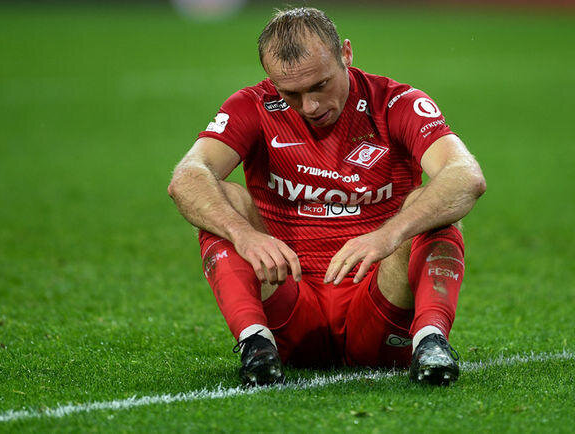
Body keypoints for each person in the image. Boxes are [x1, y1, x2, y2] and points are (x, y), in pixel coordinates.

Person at [168, 7, 486, 386]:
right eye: (291, 94)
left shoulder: (396, 103)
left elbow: (465, 176)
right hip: (290, 308)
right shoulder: (252, 106)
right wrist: (244, 235)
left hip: (378, 306)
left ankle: (431, 341)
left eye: (320, 85)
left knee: (432, 204)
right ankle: (256, 345)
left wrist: (390, 234)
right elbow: (187, 178)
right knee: (221, 199)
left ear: (346, 54)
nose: (310, 107)